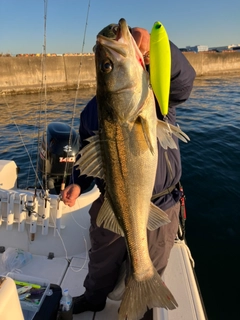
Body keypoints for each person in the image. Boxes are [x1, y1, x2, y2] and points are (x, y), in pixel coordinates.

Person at [61, 23, 196, 315]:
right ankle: (95, 297)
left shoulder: (157, 94)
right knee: (101, 261)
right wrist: (76, 181)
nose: (109, 64)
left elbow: (184, 82)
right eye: (106, 65)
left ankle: (145, 307)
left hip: (162, 200)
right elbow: (88, 152)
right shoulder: (90, 112)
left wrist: (159, 53)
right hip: (113, 199)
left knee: (153, 262)